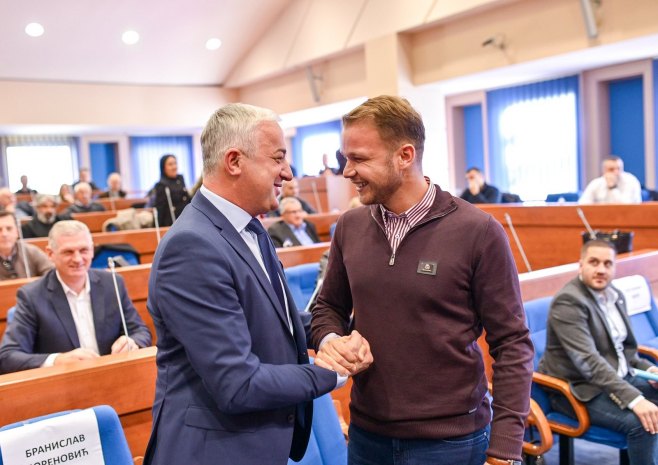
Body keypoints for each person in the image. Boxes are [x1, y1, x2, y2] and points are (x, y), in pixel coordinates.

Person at [143, 103, 372, 465]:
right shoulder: (192, 246)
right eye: (278, 158)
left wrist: (331, 336)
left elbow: (274, 317)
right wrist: (332, 372)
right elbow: (237, 384)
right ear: (234, 161)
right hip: (213, 453)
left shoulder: (249, 225)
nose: (288, 173)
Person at [311, 95, 533, 465]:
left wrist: (506, 447)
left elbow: (512, 343)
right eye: (346, 157)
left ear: (405, 156)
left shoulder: (478, 231)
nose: (346, 171)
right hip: (368, 437)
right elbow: (328, 306)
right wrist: (331, 338)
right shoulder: (350, 226)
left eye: (359, 158)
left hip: (452, 443)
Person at [539, 239, 658, 465]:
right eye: (594, 262)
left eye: (607, 263)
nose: (601, 269)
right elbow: (589, 362)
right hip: (577, 390)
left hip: (614, 379)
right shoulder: (569, 302)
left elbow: (627, 353)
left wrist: (650, 370)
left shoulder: (615, 296)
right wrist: (635, 399)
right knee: (642, 423)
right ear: (581, 264)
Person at [0, 220, 151, 373]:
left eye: (84, 250)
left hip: (112, 376)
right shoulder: (31, 296)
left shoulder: (112, 283)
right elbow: (7, 356)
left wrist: (132, 341)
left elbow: (140, 331)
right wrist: (56, 360)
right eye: (68, 252)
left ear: (92, 250)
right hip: (63, 385)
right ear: (50, 254)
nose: (78, 259)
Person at [0, 211, 52, 281]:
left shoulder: (32, 252)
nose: (4, 234)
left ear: (17, 232)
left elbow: (51, 274)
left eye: (9, 228)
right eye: (0, 230)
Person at [148, 154, 190, 227]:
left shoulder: (180, 179)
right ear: (163, 168)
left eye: (175, 163)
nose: (174, 167)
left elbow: (188, 199)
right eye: (170, 164)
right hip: (171, 225)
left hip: (186, 221)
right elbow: (160, 210)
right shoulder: (161, 185)